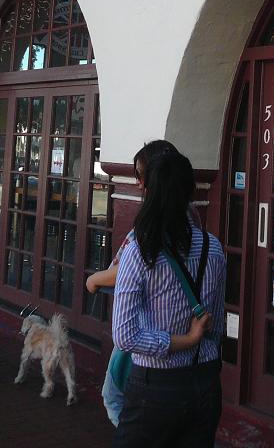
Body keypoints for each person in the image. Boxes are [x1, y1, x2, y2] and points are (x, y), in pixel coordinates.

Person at [111, 150, 226, 448]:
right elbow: (215, 324)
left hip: (156, 386)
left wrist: (184, 341)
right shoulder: (212, 248)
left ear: (149, 191)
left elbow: (125, 335)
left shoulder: (140, 250)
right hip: (205, 382)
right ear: (190, 190)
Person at [86, 139, 178, 426]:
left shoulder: (154, 224)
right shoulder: (191, 222)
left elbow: (130, 267)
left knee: (115, 397)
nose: (138, 184)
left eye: (141, 176)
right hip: (172, 334)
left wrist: (95, 278)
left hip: (146, 329)